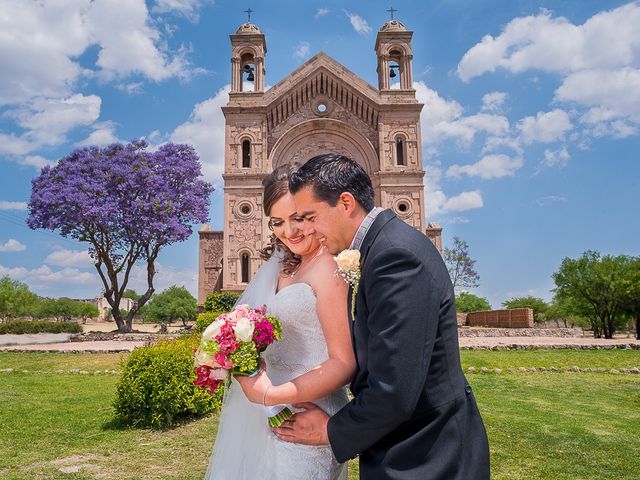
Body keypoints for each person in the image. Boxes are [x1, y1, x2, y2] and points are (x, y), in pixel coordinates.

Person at [273, 154, 490, 479]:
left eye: (310, 216)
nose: (308, 229)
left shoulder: (395, 256)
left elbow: (395, 390)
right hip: (409, 447)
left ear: (346, 203)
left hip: (428, 455)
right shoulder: (381, 247)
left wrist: (330, 430)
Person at [204, 164, 355, 480]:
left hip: (307, 418)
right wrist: (233, 350)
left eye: (299, 218)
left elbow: (343, 362)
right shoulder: (283, 266)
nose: (290, 231)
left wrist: (272, 395)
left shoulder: (329, 268)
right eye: (278, 222)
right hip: (271, 415)